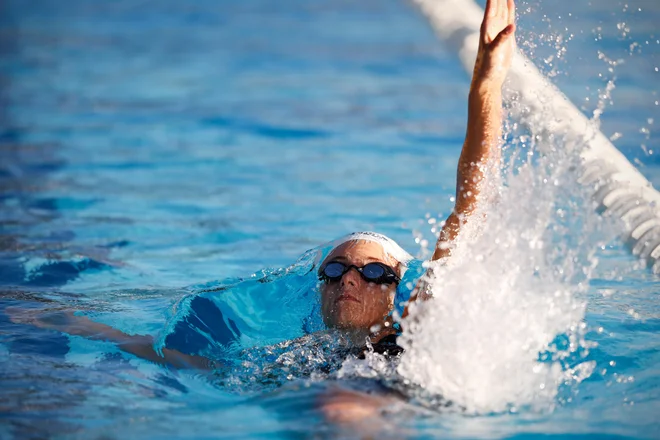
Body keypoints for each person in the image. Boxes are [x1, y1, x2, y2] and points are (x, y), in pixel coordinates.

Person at [8, 0, 516, 424]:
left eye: (373, 271)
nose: (348, 281)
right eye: (335, 269)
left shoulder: (416, 333)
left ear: (398, 288)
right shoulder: (301, 360)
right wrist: (78, 324)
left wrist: (485, 86)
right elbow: (187, 363)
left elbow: (469, 210)